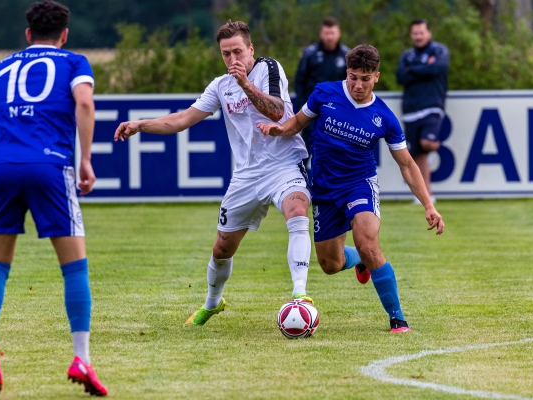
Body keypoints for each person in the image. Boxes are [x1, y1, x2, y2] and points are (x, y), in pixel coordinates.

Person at [0, 1, 107, 396]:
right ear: (65, 34)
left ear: (27, 35)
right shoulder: (74, 63)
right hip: (51, 167)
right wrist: (86, 158)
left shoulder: (1, 68)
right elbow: (85, 103)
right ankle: (82, 358)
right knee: (74, 267)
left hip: (2, 166)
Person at [114, 20, 313, 327]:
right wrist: (141, 124)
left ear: (251, 49)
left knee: (297, 209)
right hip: (246, 176)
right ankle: (212, 303)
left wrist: (246, 83)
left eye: (237, 52)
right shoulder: (220, 86)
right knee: (222, 248)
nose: (233, 60)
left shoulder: (269, 69)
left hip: (283, 164)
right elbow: (182, 119)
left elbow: (275, 111)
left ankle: (299, 296)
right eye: (225, 54)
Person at [258, 44, 445, 333]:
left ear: (377, 77)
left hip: (360, 184)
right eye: (353, 76)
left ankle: (397, 318)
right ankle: (358, 260)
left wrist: (429, 205)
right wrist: (279, 130)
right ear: (347, 72)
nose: (357, 84)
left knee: (368, 243)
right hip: (324, 188)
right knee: (330, 264)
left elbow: (407, 165)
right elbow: (298, 123)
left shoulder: (384, 117)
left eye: (365, 78)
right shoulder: (324, 93)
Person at [396, 19, 449, 204]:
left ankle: (435, 145)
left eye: (421, 33)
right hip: (411, 109)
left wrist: (413, 70)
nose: (418, 36)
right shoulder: (407, 55)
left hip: (432, 105)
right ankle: (427, 195)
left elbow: (437, 69)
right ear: (411, 35)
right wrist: (424, 69)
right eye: (415, 33)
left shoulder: (439, 51)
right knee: (417, 155)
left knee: (427, 143)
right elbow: (400, 76)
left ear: (429, 33)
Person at [295, 16, 350, 167]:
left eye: (332, 33)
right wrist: (302, 106)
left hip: (337, 112)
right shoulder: (310, 54)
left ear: (338, 33)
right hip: (312, 111)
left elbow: (352, 84)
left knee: (334, 153)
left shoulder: (347, 55)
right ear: (321, 33)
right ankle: (297, 186)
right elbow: (299, 80)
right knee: (306, 150)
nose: (329, 37)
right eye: (326, 33)